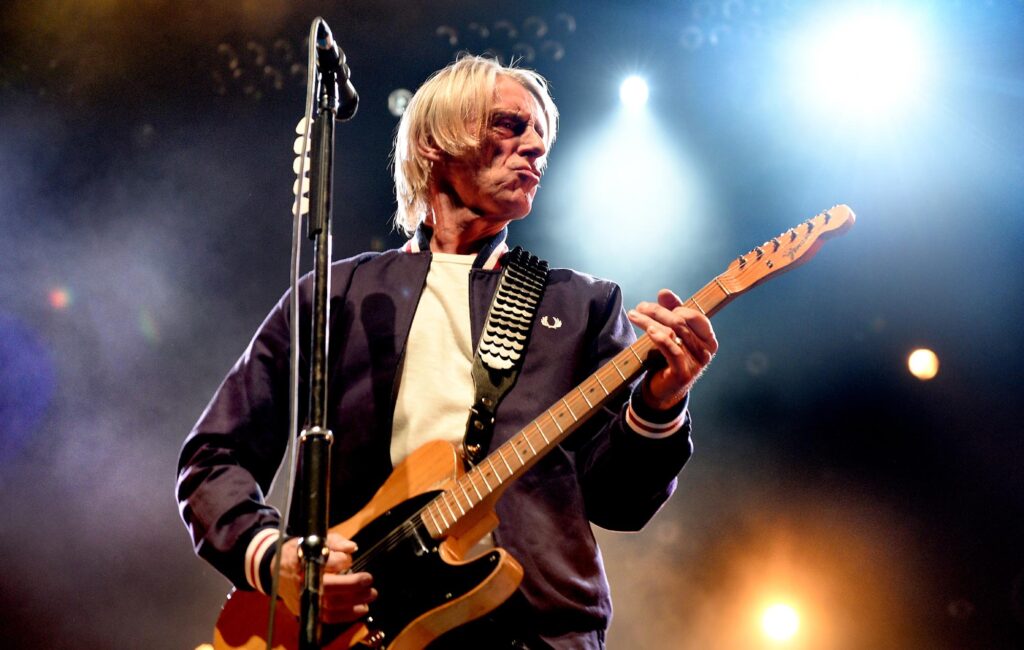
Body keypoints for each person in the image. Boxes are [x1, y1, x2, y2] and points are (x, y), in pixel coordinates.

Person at [177, 55, 717, 649]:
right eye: (510, 125)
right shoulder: (338, 295)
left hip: (536, 632)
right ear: (435, 142)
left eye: (541, 134)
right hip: (350, 630)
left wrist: (661, 404)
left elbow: (621, 502)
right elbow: (213, 456)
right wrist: (267, 555)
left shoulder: (581, 304)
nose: (536, 147)